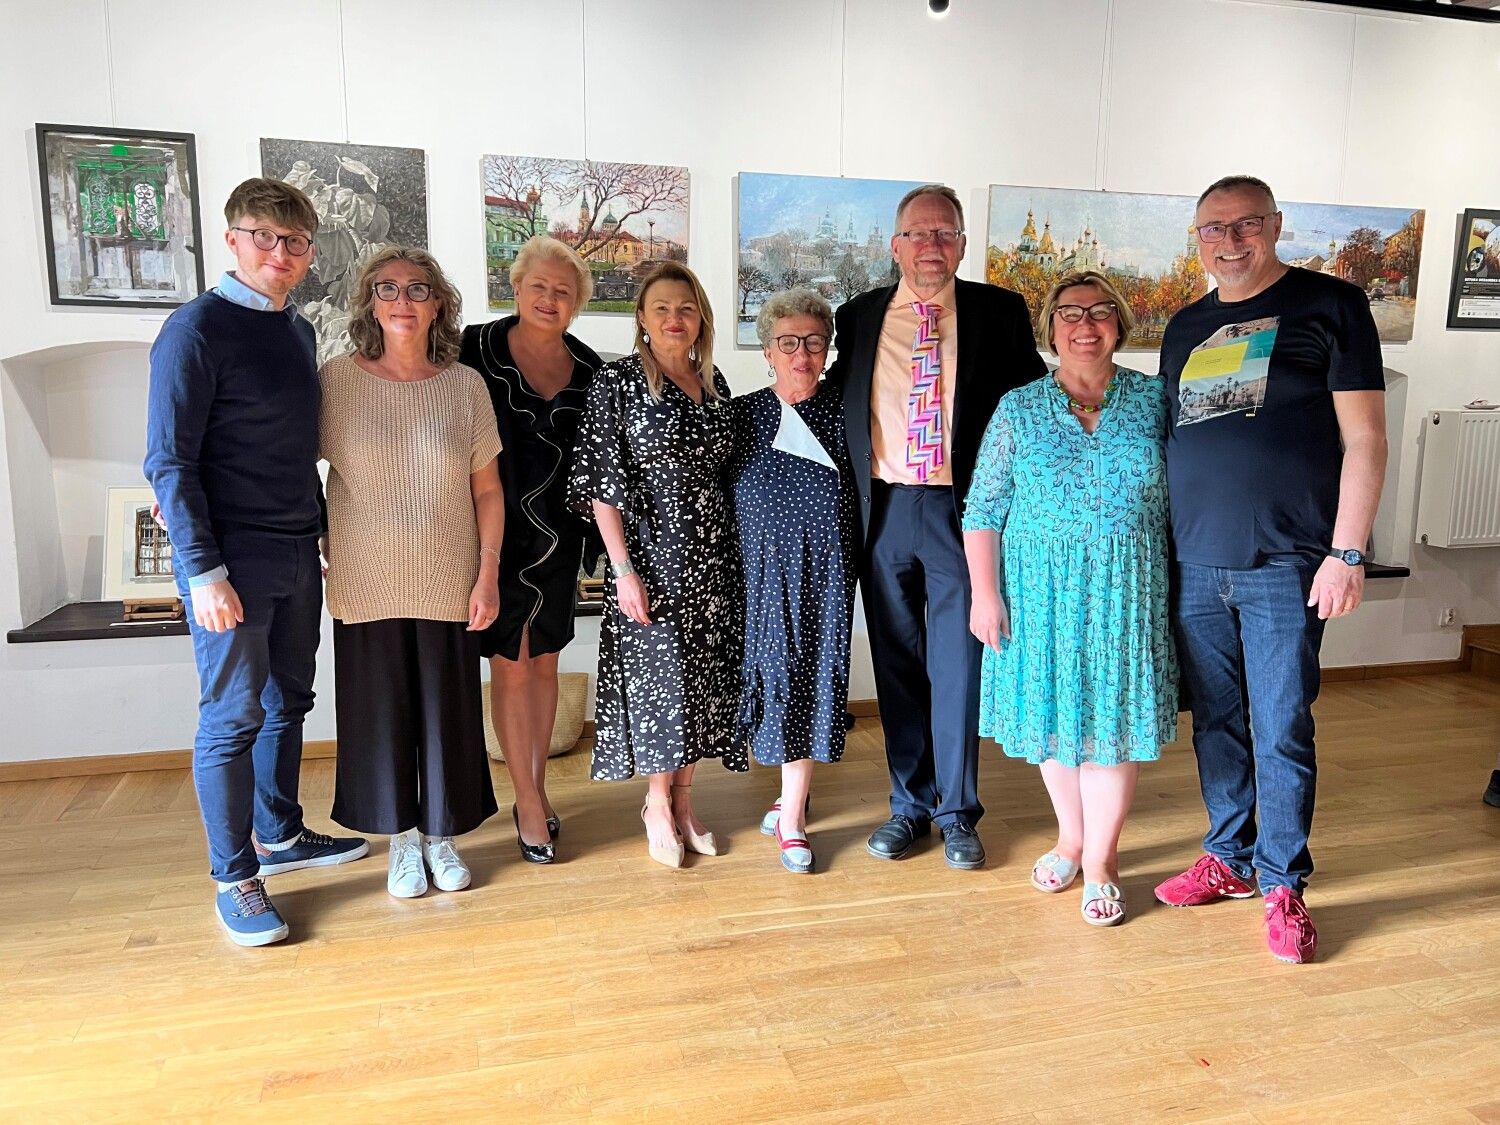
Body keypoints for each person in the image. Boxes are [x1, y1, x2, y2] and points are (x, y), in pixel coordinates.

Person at [1155, 175, 1387, 964]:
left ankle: (1284, 883)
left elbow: (1366, 440)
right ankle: (1229, 857)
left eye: (1245, 223)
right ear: (1198, 239)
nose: (1229, 239)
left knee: (1281, 724)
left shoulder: (1332, 307)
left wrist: (1347, 551)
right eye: (1212, 228)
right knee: (1217, 722)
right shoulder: (1185, 325)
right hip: (1194, 562)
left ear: (1275, 225)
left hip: (1287, 564)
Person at [144, 178, 367, 947]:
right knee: (232, 716)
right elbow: (168, 463)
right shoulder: (193, 331)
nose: (281, 253)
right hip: (228, 560)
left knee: (288, 701)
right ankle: (235, 875)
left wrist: (321, 536)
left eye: (295, 241)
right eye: (265, 237)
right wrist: (201, 571)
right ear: (233, 240)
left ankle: (281, 834)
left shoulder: (298, 333)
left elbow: (295, 452)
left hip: (296, 550)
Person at [825, 183, 1046, 870]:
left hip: (963, 511)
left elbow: (1033, 404)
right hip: (883, 509)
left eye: (945, 234)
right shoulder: (858, 316)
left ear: (962, 244)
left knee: (958, 664)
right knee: (895, 662)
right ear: (895, 246)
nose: (931, 246)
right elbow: (832, 397)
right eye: (918, 234)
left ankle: (957, 812)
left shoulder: (1000, 312)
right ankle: (908, 804)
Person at [963, 271, 1177, 925]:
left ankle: (1103, 861)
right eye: (1070, 313)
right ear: (1050, 328)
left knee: (1110, 731)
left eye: (1101, 311)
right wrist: (984, 594)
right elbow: (983, 507)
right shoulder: (1019, 407)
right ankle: (1071, 838)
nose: (1086, 324)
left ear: (1121, 323)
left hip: (1127, 593)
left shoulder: (1154, 400)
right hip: (1038, 596)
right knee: (1055, 725)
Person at [321, 247, 503, 897]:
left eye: (417, 288)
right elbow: (288, 465)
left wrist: (488, 572)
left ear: (439, 304)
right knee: (380, 716)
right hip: (364, 579)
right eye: (388, 288)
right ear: (370, 300)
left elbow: (487, 491)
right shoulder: (336, 380)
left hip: (449, 577)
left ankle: (441, 835)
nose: (403, 300)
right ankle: (400, 840)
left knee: (446, 713)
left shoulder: (465, 386)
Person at [568, 261, 744, 868]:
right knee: (661, 686)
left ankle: (687, 803)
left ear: (701, 320)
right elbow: (601, 484)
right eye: (663, 308)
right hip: (653, 558)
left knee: (699, 684)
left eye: (687, 309)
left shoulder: (713, 383)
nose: (675, 319)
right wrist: (621, 569)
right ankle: (656, 804)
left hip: (715, 558)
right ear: (641, 318)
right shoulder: (617, 384)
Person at [460, 236, 602, 863]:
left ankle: (536, 792)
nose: (550, 299)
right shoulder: (471, 349)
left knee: (544, 662)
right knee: (509, 666)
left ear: (578, 303)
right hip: (486, 538)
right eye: (539, 286)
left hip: (559, 540)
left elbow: (603, 464)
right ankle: (527, 802)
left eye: (564, 291)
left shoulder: (594, 369)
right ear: (515, 287)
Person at [728, 289, 857, 874]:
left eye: (813, 341)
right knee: (774, 676)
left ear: (828, 349)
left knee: (809, 677)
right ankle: (788, 797)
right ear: (767, 350)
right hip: (757, 575)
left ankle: (795, 819)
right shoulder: (741, 415)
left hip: (827, 572)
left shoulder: (849, 409)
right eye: (788, 342)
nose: (801, 353)